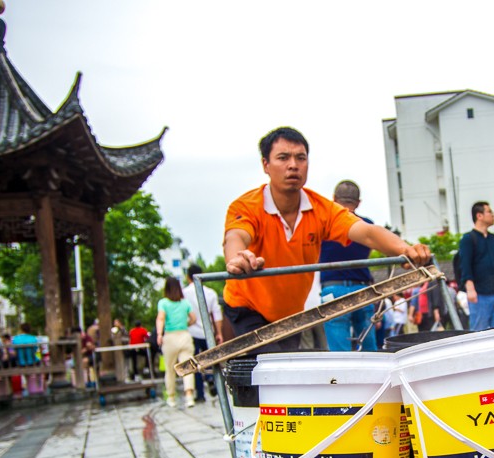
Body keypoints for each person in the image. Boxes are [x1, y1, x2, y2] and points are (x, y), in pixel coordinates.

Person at [222, 127, 430, 352]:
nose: (293, 165)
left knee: (288, 376)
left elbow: (367, 232)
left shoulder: (321, 209)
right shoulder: (247, 206)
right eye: (283, 158)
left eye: (300, 158)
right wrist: (237, 258)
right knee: (263, 376)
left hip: (289, 314)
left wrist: (405, 248)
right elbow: (235, 235)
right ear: (266, 165)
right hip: (247, 307)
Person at [318, 180, 378, 351]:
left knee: (339, 352)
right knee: (369, 347)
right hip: (363, 289)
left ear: (334, 199)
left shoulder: (324, 225)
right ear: (358, 202)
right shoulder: (367, 225)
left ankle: (342, 378)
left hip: (333, 289)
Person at [460, 201, 494, 330]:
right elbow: (465, 266)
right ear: (479, 216)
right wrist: (470, 289)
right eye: (489, 212)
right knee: (479, 332)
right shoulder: (468, 239)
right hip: (479, 294)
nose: (493, 215)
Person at [183, 264, 223, 402]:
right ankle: (212, 379)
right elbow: (216, 314)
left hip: (191, 333)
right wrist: (219, 333)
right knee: (211, 361)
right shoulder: (210, 292)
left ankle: (200, 394)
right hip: (208, 332)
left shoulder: (184, 293)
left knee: (195, 364)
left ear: (188, 277)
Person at [156, 277, 197, 407]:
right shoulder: (185, 303)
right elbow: (194, 318)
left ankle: (171, 397)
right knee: (187, 367)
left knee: (170, 369)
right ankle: (189, 396)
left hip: (170, 337)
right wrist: (186, 324)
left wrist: (159, 334)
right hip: (184, 335)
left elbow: (161, 318)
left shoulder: (163, 302)